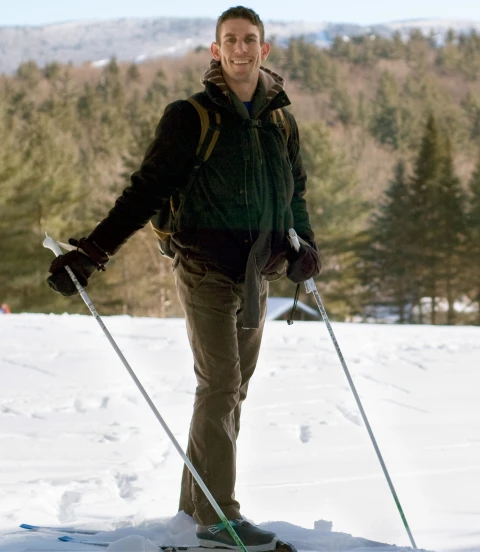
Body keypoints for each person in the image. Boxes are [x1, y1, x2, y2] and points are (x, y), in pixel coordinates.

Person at [46, 6, 321, 551]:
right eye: (230, 40)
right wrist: (94, 251)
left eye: (250, 40)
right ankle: (221, 521)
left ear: (264, 50)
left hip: (257, 273)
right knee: (219, 385)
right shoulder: (190, 116)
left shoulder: (280, 120)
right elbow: (144, 191)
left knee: (233, 390)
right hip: (204, 269)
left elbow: (294, 193)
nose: (241, 49)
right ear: (215, 51)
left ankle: (196, 509)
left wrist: (305, 246)